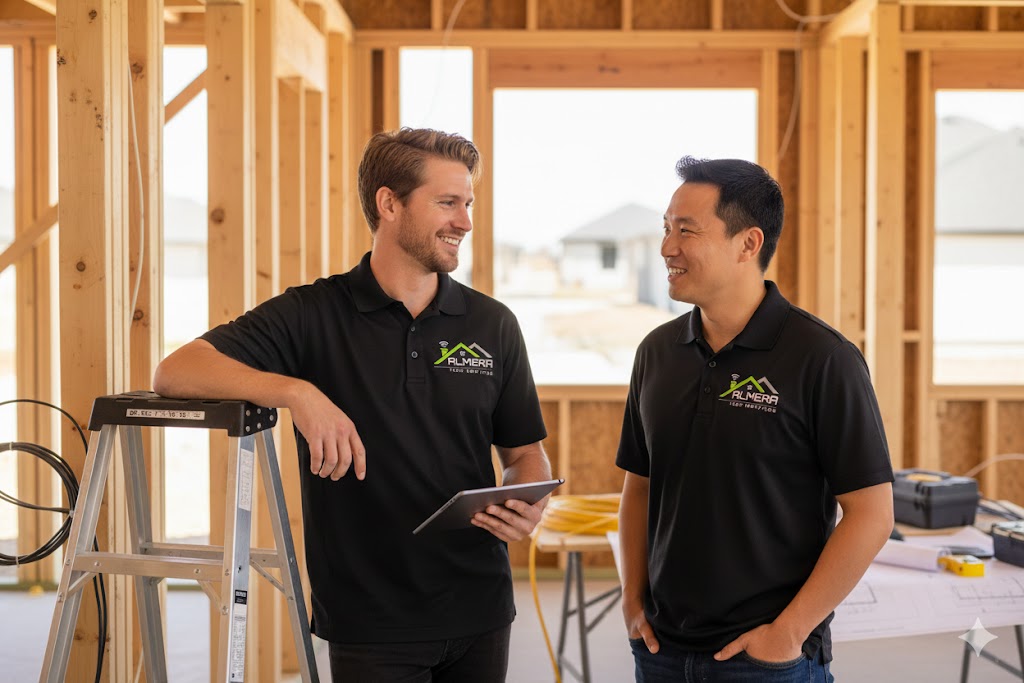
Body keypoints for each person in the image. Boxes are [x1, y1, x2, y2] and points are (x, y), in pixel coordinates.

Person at [154, 127, 552, 683]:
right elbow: (176, 371)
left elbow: (524, 454)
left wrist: (527, 502)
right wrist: (296, 391)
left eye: (468, 204)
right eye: (446, 203)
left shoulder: (493, 324)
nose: (464, 221)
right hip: (371, 621)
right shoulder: (312, 314)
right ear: (389, 203)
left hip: (481, 608)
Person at [616, 156, 894, 682]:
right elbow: (640, 483)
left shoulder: (823, 358)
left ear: (748, 244)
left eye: (686, 231)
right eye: (666, 228)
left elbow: (871, 513)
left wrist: (788, 631)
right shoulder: (657, 352)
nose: (666, 248)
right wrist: (633, 601)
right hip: (660, 651)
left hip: (767, 660)